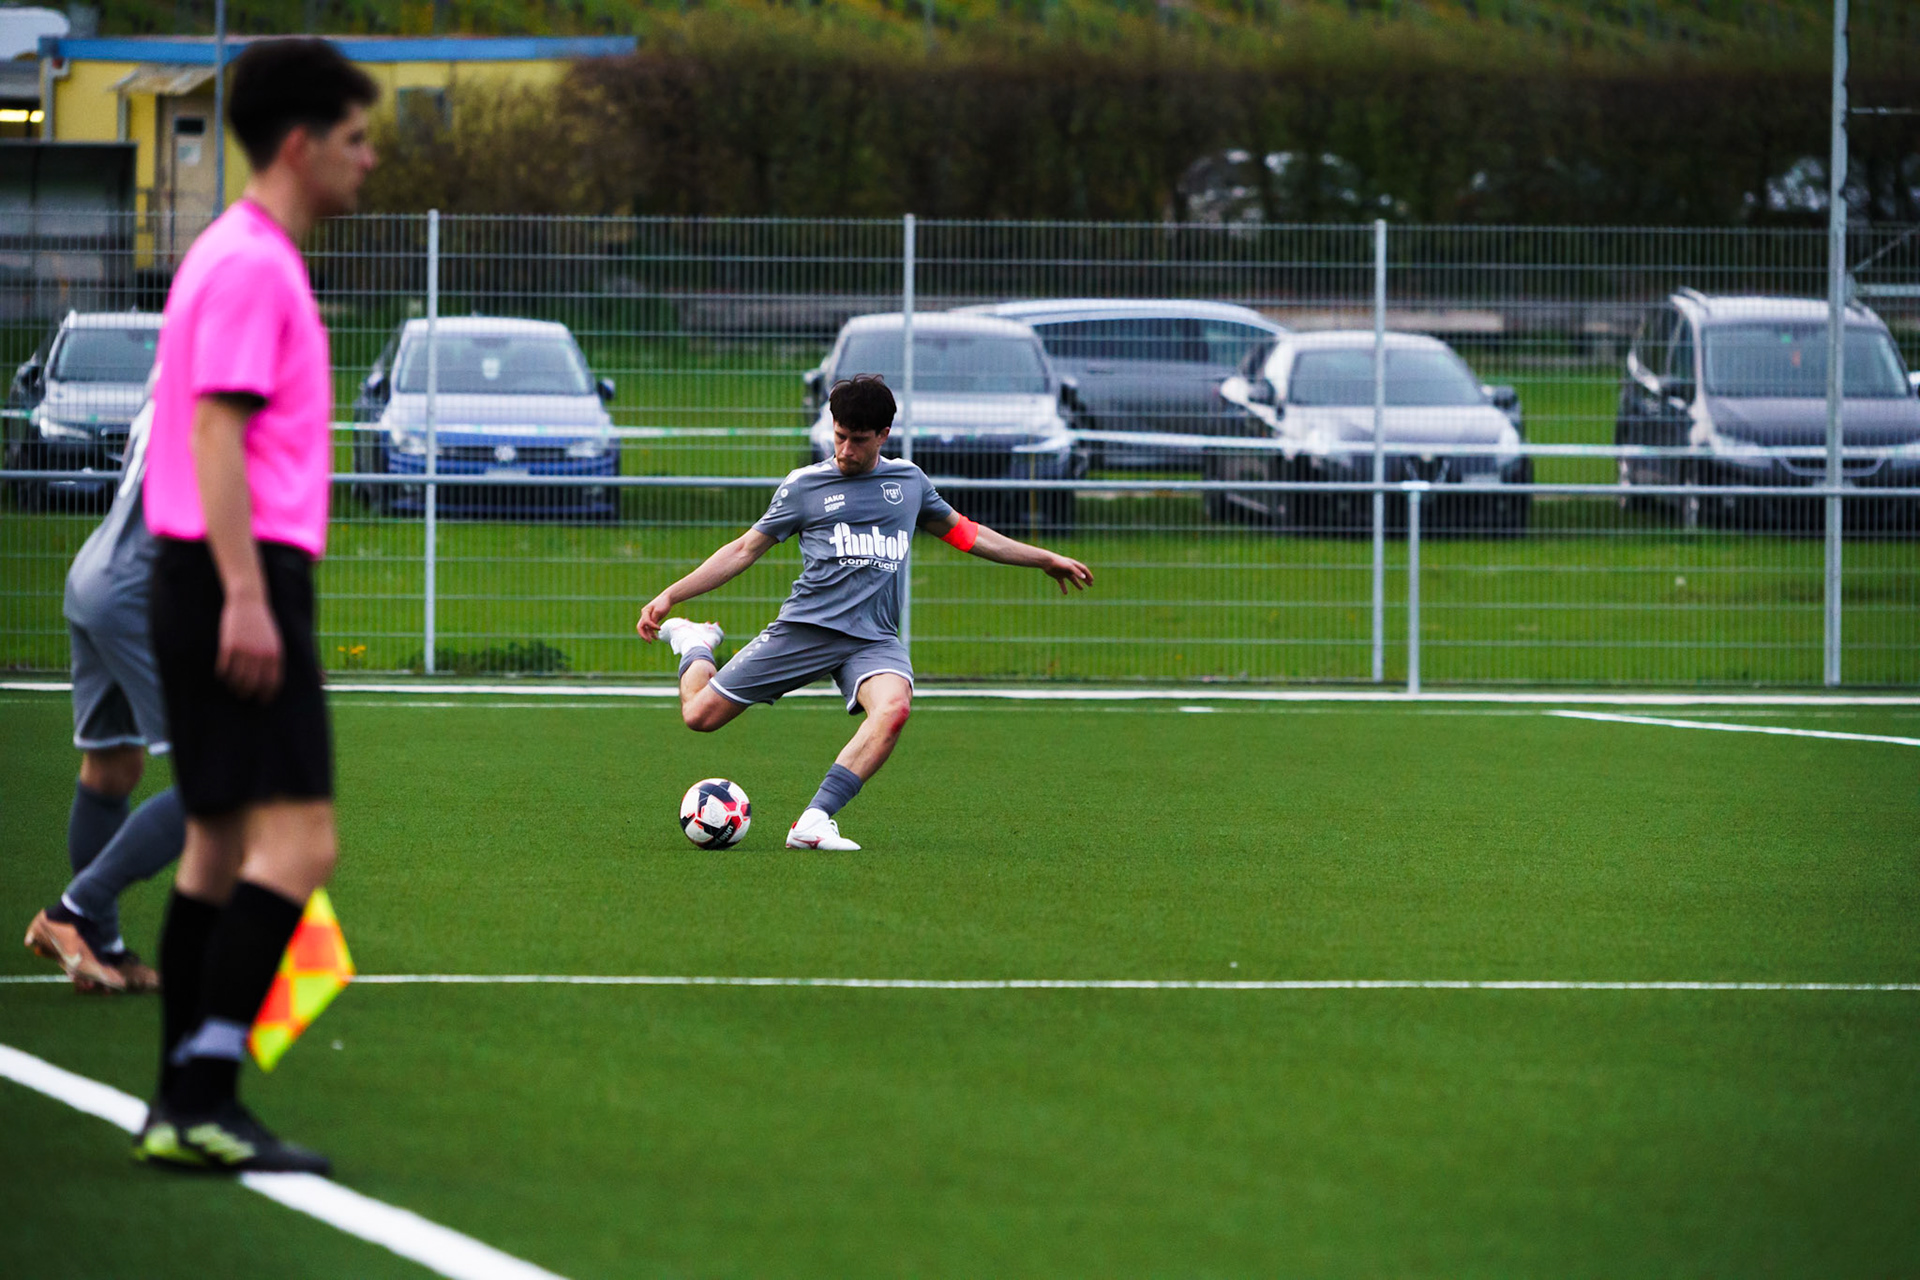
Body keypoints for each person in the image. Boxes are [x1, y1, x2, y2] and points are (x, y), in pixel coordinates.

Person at [132, 38, 376, 1176]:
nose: (368, 161)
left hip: (211, 569)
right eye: (357, 139)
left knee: (221, 843)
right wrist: (244, 592)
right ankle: (203, 1088)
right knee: (301, 838)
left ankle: (182, 1098)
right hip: (237, 571)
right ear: (300, 144)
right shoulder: (251, 264)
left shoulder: (238, 253)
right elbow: (214, 433)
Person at [638, 374, 1092, 849]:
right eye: (839, 437)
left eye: (858, 440)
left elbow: (967, 534)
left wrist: (1044, 557)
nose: (845, 451)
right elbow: (743, 550)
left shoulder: (909, 483)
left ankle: (813, 820)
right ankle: (693, 642)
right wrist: (673, 595)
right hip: (806, 630)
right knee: (699, 715)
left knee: (894, 709)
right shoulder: (805, 486)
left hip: (873, 638)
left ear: (883, 436)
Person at [24, 397, 186, 995]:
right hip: (143, 589)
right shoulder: (221, 381)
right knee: (216, 777)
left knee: (112, 766)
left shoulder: (170, 373)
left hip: (96, 573)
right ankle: (68, 915)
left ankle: (102, 951)